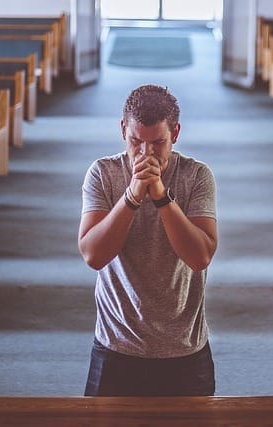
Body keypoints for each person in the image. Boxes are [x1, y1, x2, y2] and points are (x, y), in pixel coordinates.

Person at [78, 84, 218, 396]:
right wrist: (131, 196)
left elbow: (199, 258)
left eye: (158, 143)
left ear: (176, 133)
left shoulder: (196, 176)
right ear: (122, 130)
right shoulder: (103, 173)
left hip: (184, 349)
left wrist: (161, 197)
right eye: (135, 142)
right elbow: (93, 256)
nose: (146, 153)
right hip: (116, 345)